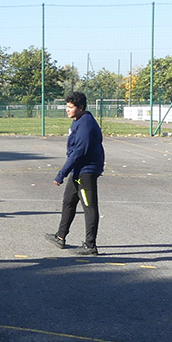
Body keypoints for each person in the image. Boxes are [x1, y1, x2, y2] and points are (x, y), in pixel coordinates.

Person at [45, 91, 105, 256]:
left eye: (70, 107)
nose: (67, 110)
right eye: (67, 106)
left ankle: (90, 246)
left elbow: (79, 152)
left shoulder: (86, 123)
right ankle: (60, 236)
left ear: (81, 107)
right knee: (68, 202)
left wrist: (61, 173)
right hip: (77, 170)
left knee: (89, 206)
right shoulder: (78, 121)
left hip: (86, 171)